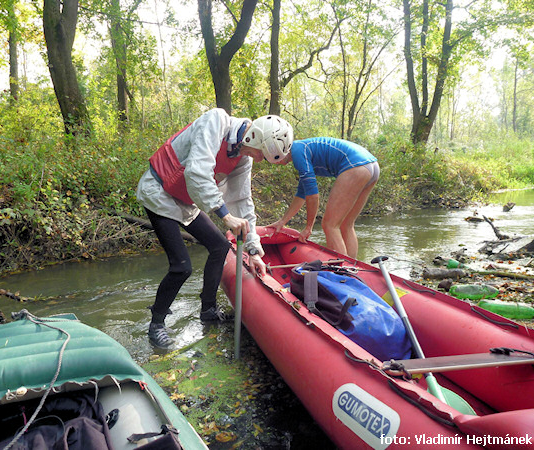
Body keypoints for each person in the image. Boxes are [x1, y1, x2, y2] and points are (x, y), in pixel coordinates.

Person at [136, 109, 293, 347]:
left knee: (220, 246)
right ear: (255, 138)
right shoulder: (216, 122)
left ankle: (208, 309)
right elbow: (197, 173)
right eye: (262, 154)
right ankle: (156, 324)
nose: (259, 159)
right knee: (181, 266)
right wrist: (224, 216)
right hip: (159, 193)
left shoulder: (243, 157)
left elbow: (242, 201)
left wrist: (254, 250)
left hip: (185, 201)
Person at [268, 137, 378, 258]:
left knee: (329, 225)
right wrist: (283, 221)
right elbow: (302, 193)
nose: (273, 162)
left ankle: (342, 271)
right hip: (371, 165)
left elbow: (313, 195)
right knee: (346, 224)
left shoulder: (297, 151)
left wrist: (309, 227)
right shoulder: (301, 151)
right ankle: (353, 268)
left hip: (355, 164)